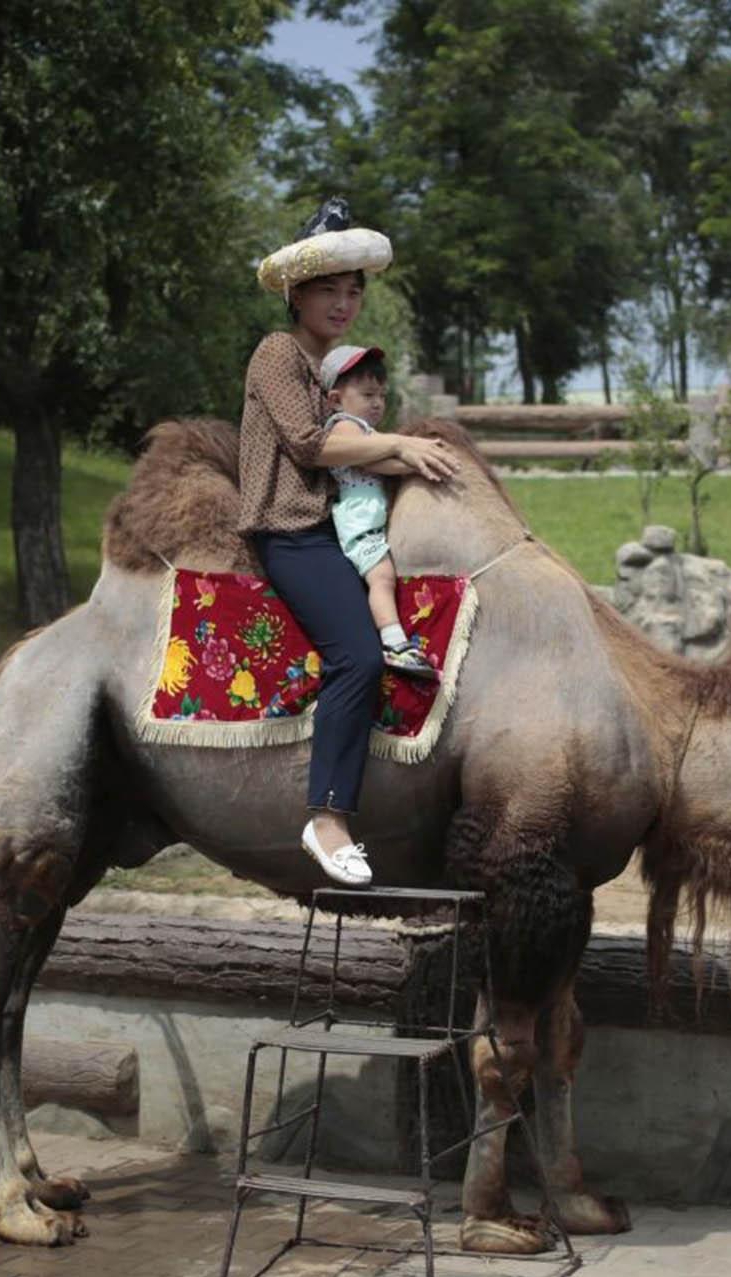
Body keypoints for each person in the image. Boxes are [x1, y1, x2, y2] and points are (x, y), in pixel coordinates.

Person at [242, 195, 462, 888]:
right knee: (359, 657)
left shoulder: (324, 369)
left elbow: (359, 452)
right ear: (296, 294)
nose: (343, 303)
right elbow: (312, 445)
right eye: (327, 290)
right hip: (292, 533)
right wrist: (399, 442)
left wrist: (421, 458)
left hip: (330, 531)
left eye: (352, 291)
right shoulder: (278, 354)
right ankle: (328, 817)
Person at [319, 342, 437, 680]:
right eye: (368, 394)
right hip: (359, 520)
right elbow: (378, 461)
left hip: (367, 516)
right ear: (336, 399)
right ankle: (394, 641)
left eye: (381, 395)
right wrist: (414, 462)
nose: (377, 403)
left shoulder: (365, 431)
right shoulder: (344, 427)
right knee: (381, 577)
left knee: (382, 576)